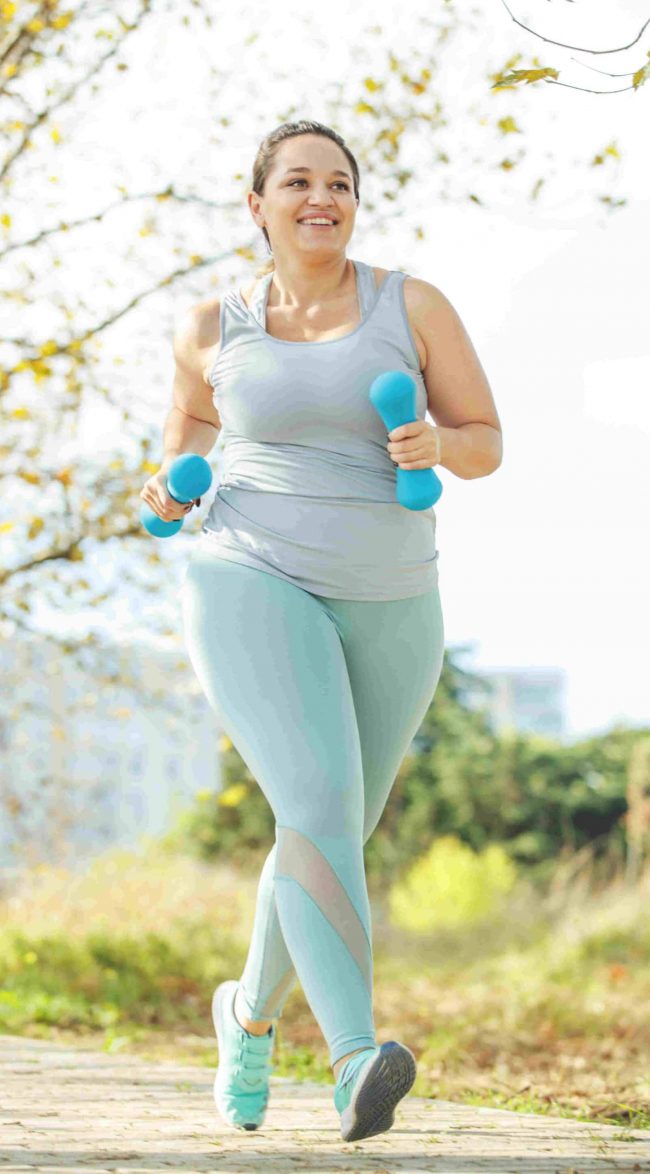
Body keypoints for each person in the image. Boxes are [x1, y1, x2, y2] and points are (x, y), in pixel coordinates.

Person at [139, 119, 502, 1143]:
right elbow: (185, 444)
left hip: (391, 591)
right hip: (249, 572)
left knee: (328, 827)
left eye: (337, 182)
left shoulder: (410, 305)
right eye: (296, 180)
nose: (320, 197)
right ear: (255, 203)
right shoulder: (211, 323)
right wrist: (167, 491)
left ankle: (245, 1014)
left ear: (353, 202)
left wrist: (439, 440)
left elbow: (486, 444)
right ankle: (352, 1060)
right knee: (312, 799)